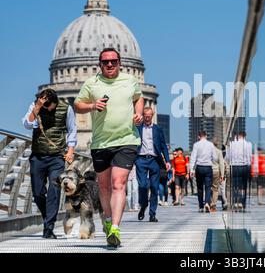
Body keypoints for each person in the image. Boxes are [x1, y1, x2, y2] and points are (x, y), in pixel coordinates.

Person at [74, 47, 144, 248]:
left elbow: (138, 97)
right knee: (104, 187)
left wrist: (138, 113)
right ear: (100, 64)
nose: (110, 64)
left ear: (120, 62)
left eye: (114, 61)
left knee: (118, 183)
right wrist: (92, 105)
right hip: (100, 142)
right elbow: (78, 105)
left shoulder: (130, 80)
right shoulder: (91, 83)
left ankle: (114, 227)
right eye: (106, 62)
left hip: (127, 140)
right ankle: (106, 220)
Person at [23, 88, 77, 239]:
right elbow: (27, 124)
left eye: (50, 106)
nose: (48, 109)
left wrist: (70, 151)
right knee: (38, 192)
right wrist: (37, 109)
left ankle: (49, 227)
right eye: (45, 106)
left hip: (56, 157)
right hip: (38, 156)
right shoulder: (35, 106)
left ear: (55, 102)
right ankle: (48, 217)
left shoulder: (66, 108)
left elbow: (72, 129)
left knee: (54, 190)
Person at [135, 107, 171, 222]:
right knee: (143, 185)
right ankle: (144, 205)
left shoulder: (158, 129)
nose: (147, 117)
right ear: (143, 115)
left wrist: (168, 161)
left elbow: (163, 146)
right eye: (145, 115)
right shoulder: (137, 128)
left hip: (155, 160)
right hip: (141, 159)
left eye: (149, 115)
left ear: (152, 115)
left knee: (155, 188)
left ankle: (152, 214)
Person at [190, 131, 218, 212]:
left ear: (199, 136)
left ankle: (201, 206)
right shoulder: (210, 144)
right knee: (208, 187)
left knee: (199, 187)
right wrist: (210, 159)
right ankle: (207, 203)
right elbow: (215, 158)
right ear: (206, 136)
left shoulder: (196, 145)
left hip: (199, 167)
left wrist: (191, 169)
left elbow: (193, 158)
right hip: (208, 167)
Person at [226, 131, 252, 212]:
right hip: (244, 166)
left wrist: (230, 162)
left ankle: (235, 202)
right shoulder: (248, 144)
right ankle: (242, 203)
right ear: (245, 136)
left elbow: (228, 156)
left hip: (234, 166)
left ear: (238, 136)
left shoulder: (232, 144)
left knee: (234, 186)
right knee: (243, 186)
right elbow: (249, 157)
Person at [211, 140, 225, 212]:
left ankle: (207, 202)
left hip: (208, 171)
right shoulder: (219, 152)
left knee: (207, 188)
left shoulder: (208, 151)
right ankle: (213, 205)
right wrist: (222, 175)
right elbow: (221, 164)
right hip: (216, 171)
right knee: (215, 189)